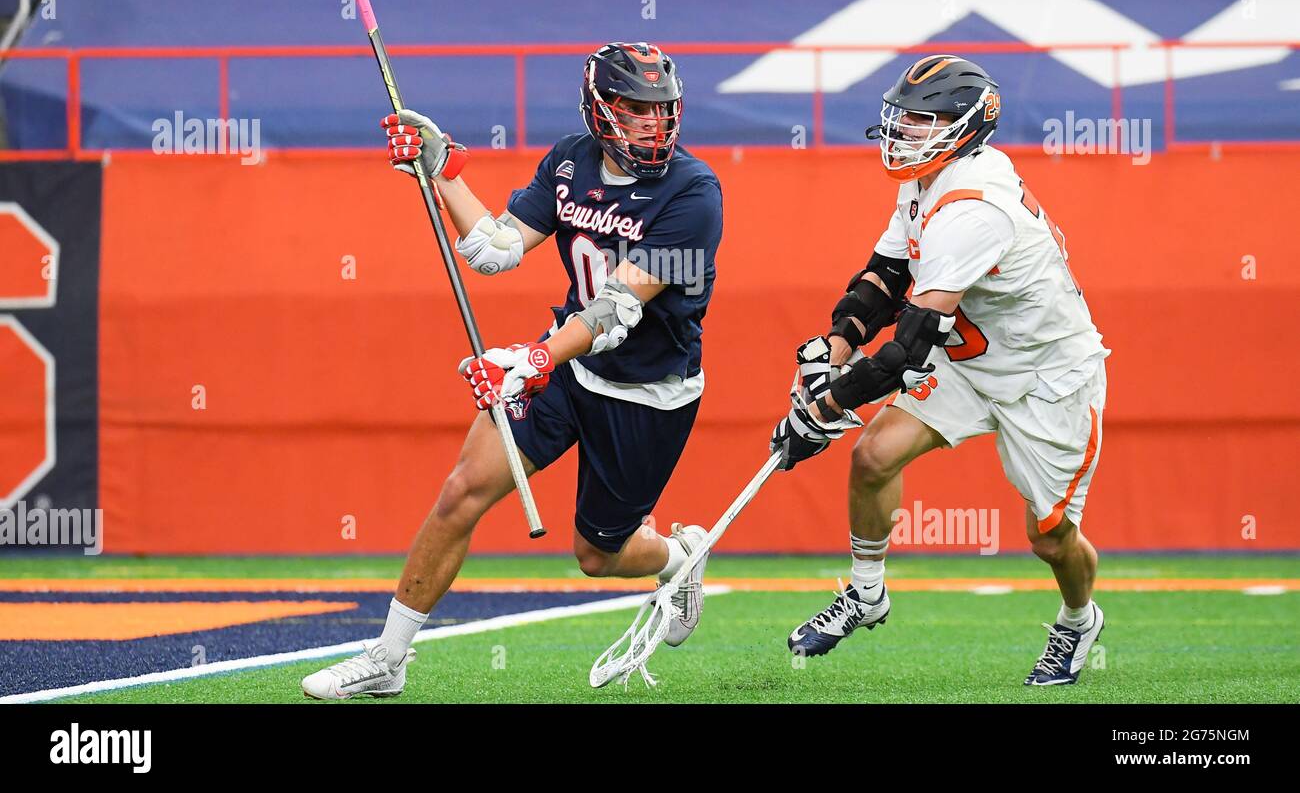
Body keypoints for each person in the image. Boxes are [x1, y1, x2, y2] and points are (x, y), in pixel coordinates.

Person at [302, 42, 724, 699]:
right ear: (599, 107)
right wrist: (442, 171)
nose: (652, 122)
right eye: (635, 108)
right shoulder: (568, 161)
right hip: (566, 369)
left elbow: (616, 310)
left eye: (661, 110)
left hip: (646, 393)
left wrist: (530, 360)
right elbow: (494, 251)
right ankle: (388, 659)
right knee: (461, 491)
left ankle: (678, 555)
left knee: (597, 555)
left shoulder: (694, 193)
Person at [771, 54, 1110, 686]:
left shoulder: (973, 208)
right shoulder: (928, 180)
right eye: (902, 120)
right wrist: (833, 347)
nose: (904, 135)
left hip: (1045, 378)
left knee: (1050, 538)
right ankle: (867, 594)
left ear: (967, 126)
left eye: (923, 121)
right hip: (971, 359)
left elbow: (909, 348)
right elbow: (883, 280)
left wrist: (822, 408)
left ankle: (1077, 619)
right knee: (872, 458)